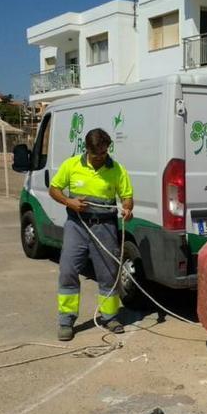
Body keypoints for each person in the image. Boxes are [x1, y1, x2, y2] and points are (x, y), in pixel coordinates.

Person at [48, 128, 134, 341]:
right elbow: (54, 189)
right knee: (68, 270)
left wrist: (127, 209)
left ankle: (110, 316)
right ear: (86, 150)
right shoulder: (72, 165)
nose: (100, 158)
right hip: (77, 226)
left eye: (104, 153)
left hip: (105, 227)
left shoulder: (117, 169)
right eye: (97, 155)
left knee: (108, 273)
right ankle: (66, 320)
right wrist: (70, 202)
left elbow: (127, 196)